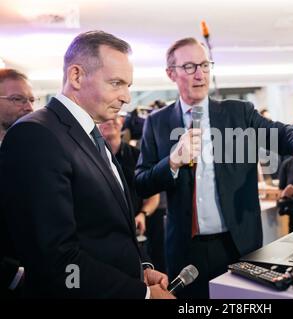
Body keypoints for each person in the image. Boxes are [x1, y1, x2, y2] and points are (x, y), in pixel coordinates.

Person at [135, 37, 293, 298]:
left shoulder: (238, 113)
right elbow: (142, 181)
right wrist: (173, 160)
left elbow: (278, 133)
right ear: (171, 74)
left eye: (204, 65)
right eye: (189, 67)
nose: (200, 74)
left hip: (237, 243)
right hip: (186, 249)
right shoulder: (156, 123)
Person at [0, 31, 173, 299]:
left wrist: (138, 270)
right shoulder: (37, 134)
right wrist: (141, 294)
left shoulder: (88, 133)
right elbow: (57, 261)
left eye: (128, 85)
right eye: (116, 83)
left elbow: (99, 232)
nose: (127, 96)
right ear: (77, 76)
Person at [99, 117, 166, 272]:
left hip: (140, 230)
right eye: (106, 120)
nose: (111, 121)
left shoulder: (137, 156)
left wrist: (143, 214)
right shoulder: (93, 158)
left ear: (121, 123)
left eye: (115, 119)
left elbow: (153, 195)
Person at [0, 68, 35, 298]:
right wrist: (14, 275)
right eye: (17, 99)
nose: (29, 107)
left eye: (31, 99)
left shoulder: (28, 151)